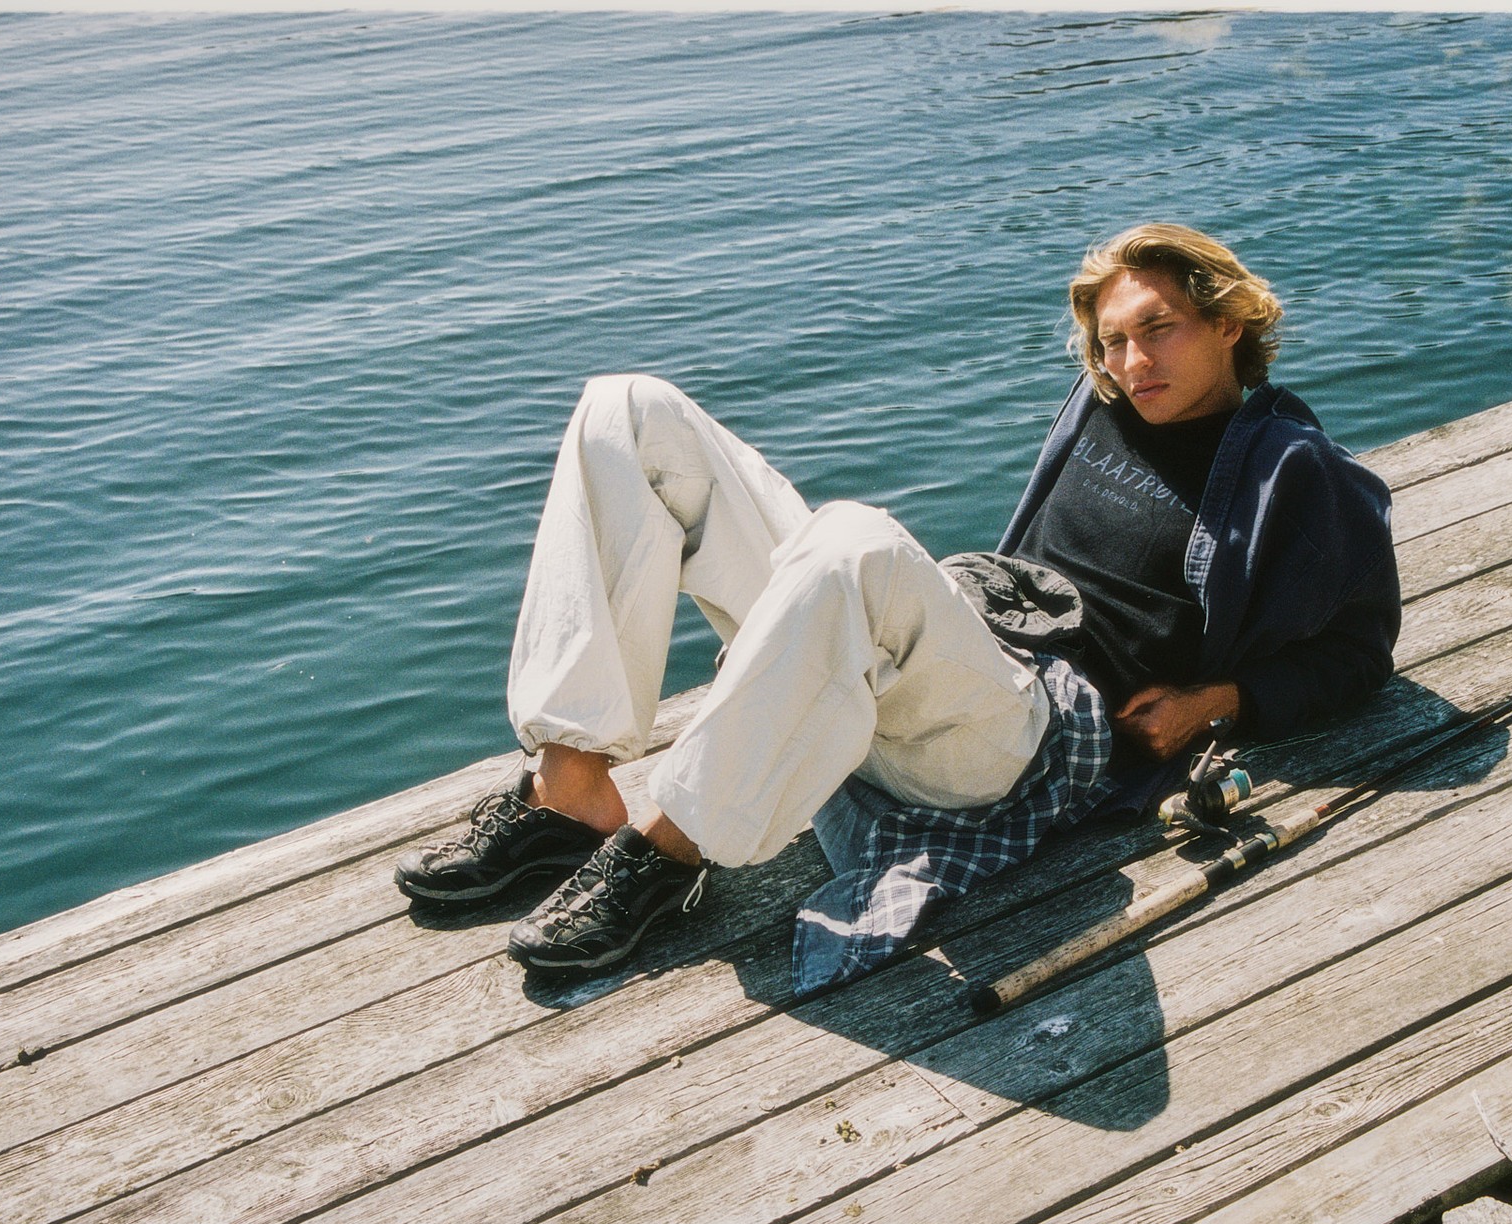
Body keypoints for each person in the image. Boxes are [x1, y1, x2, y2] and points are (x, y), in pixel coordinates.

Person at [393, 222, 1400, 993]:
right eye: (1113, 340)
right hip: (958, 656)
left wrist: (1214, 701)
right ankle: (573, 789)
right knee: (629, 410)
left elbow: (1363, 648)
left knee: (855, 537)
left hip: (1031, 741)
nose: (1133, 363)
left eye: (1160, 331)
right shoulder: (1104, 404)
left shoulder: (1295, 472)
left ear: (1228, 322)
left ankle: (668, 852)